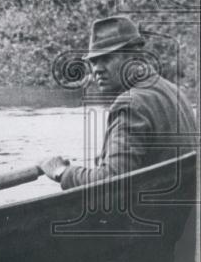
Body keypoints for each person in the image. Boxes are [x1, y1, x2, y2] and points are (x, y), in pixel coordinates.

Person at [39, 15, 198, 189]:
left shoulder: (131, 104)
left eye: (107, 59)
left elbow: (111, 182)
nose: (97, 69)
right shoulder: (175, 91)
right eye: (93, 61)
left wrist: (62, 172)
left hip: (147, 211)